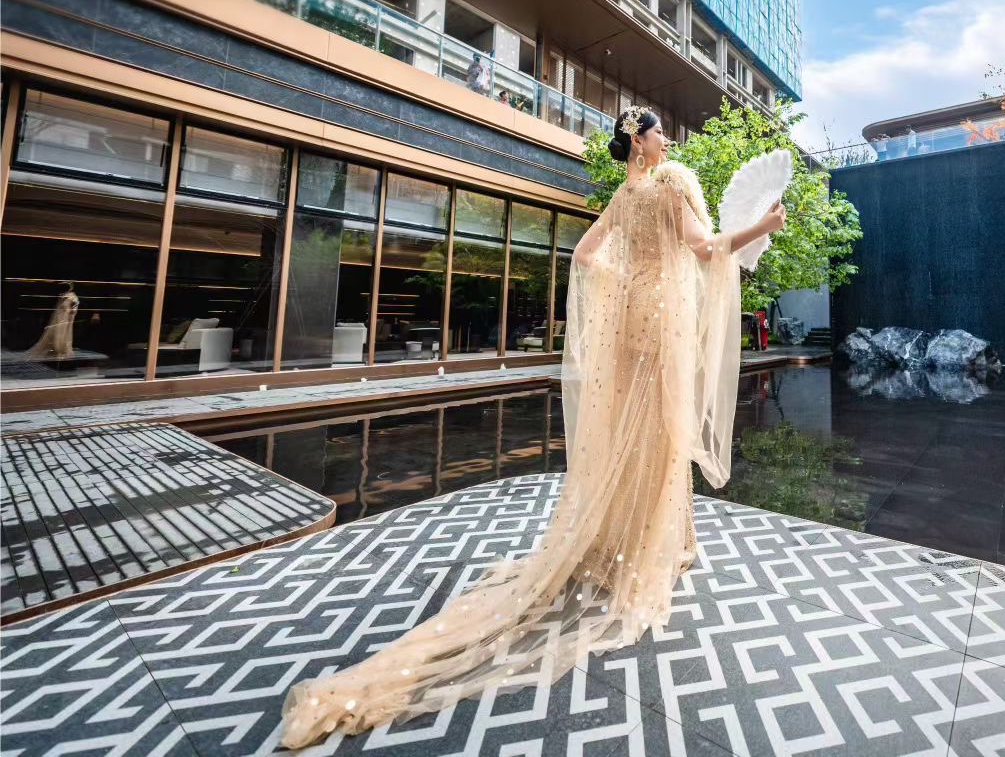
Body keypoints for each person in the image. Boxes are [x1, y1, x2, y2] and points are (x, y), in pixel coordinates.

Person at [278, 106, 785, 749]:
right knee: (660, 432)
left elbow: (585, 256)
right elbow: (705, 249)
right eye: (659, 131)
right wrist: (761, 226)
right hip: (662, 329)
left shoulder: (624, 195)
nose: (667, 139)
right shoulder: (672, 181)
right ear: (641, 139)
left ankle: (630, 541)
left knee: (633, 435)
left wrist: (624, 287)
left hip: (630, 324)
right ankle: (654, 547)